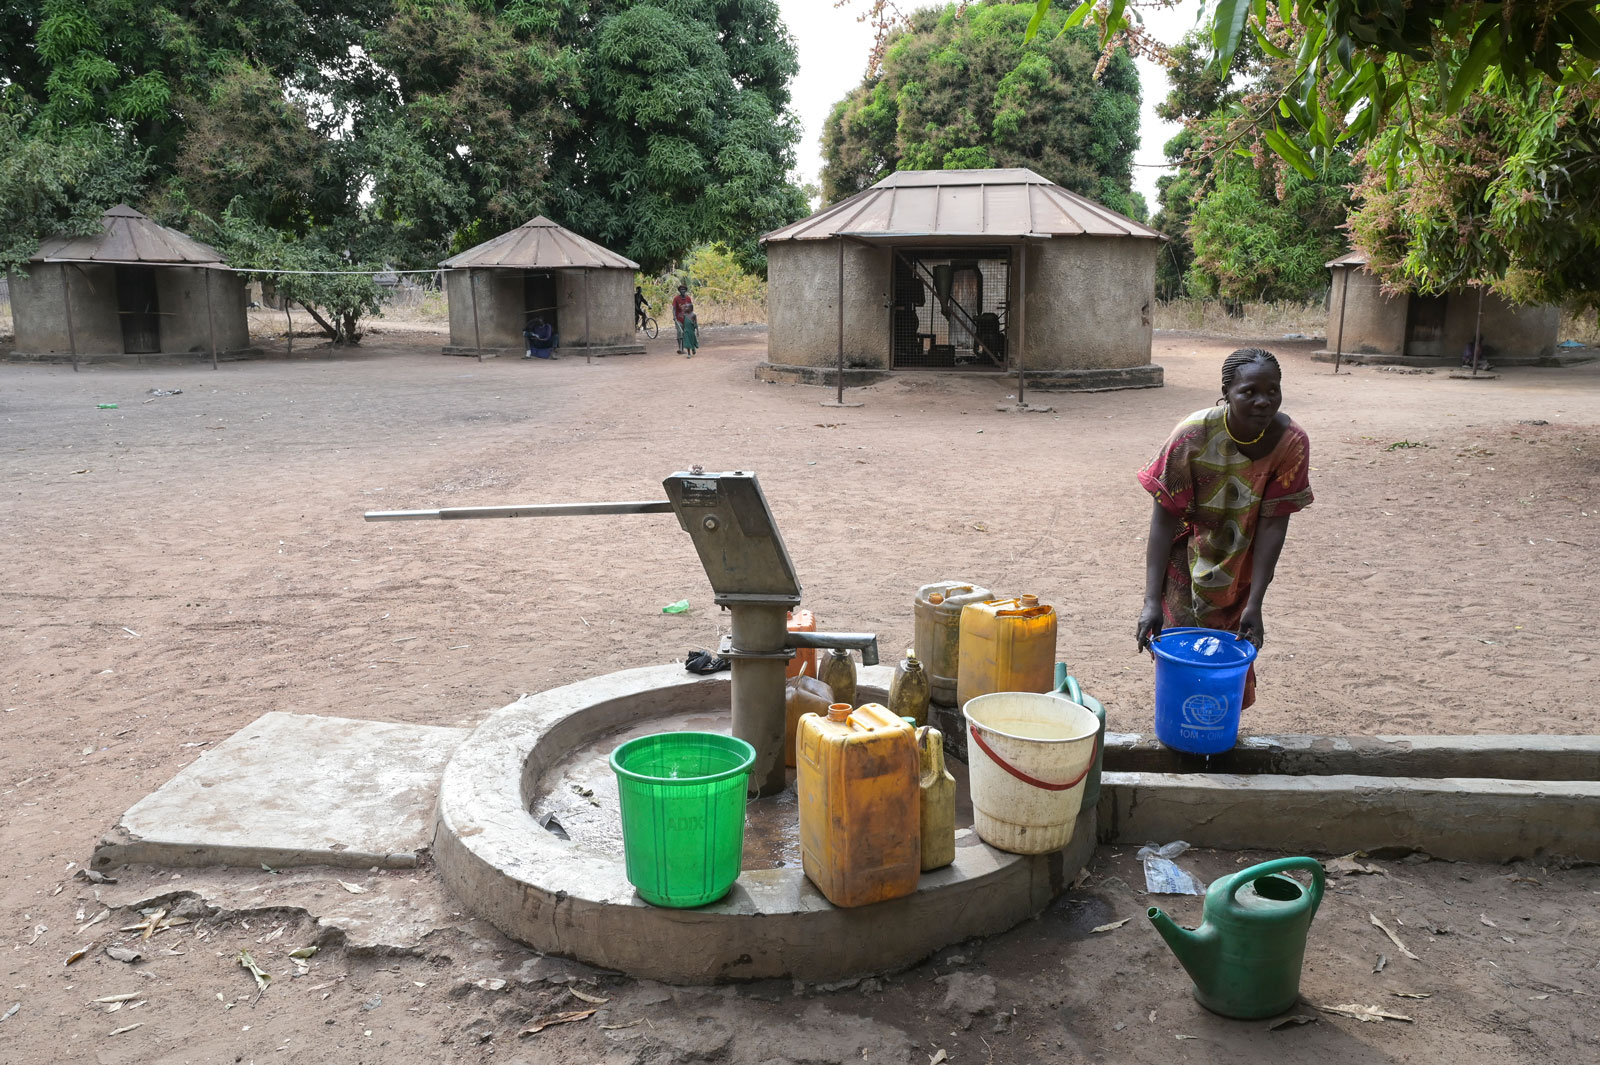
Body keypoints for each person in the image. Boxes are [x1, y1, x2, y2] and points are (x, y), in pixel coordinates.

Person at [1134, 348, 1313, 709]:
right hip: (1184, 559)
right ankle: (1182, 739)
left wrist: (1256, 603)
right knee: (1183, 654)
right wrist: (1151, 601)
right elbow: (1164, 519)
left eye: (1272, 391)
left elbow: (1273, 526)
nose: (1263, 402)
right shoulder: (1192, 437)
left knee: (1228, 657)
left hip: (1241, 566)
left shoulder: (1291, 443)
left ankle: (1217, 740)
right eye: (1249, 392)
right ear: (1226, 392)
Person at [671, 283, 694, 353]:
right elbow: (674, 308)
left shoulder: (688, 298)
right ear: (679, 291)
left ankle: (683, 348)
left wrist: (691, 317)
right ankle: (680, 348)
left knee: (685, 333)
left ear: (686, 290)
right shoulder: (676, 299)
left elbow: (691, 308)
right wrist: (674, 316)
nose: (682, 291)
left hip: (686, 319)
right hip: (679, 319)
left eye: (684, 289)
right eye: (681, 289)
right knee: (679, 332)